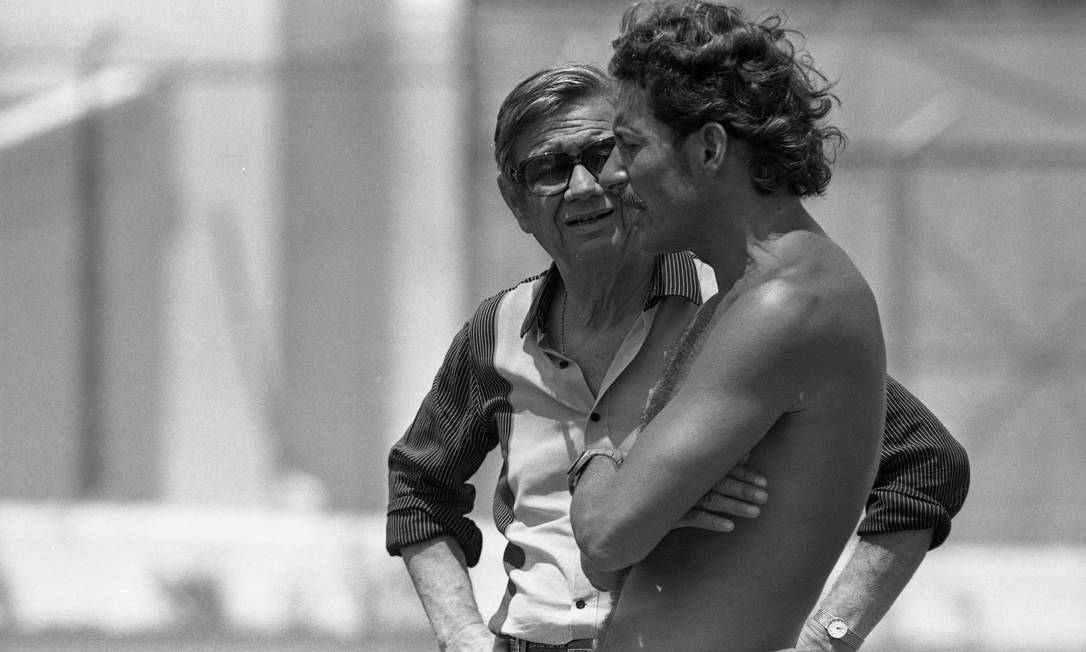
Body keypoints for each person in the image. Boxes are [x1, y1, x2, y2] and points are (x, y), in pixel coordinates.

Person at [386, 62, 969, 651]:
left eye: (604, 152)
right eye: (550, 169)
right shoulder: (497, 330)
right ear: (516, 203)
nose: (585, 186)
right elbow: (418, 487)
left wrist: (831, 635)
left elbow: (925, 463)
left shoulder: (737, 310)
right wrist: (460, 633)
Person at [565, 2, 924, 649]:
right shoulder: (734, 301)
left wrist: (597, 453)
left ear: (708, 148)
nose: (611, 177)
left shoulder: (789, 301)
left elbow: (604, 534)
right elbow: (602, 557)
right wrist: (628, 487)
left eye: (629, 146)